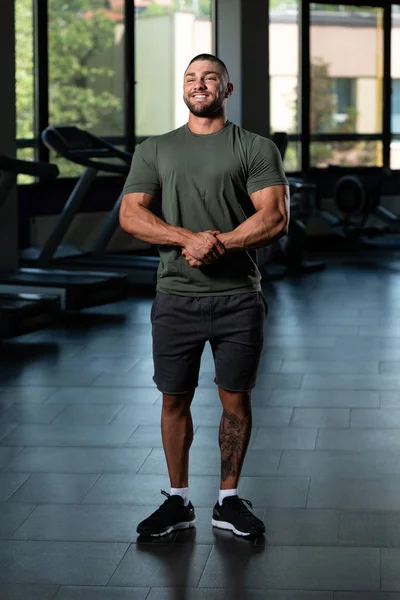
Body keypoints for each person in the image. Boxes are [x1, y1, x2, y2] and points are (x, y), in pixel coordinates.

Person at [119, 53, 290, 538]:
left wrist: (218, 243)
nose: (199, 84)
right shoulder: (155, 149)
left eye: (209, 77)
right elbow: (131, 215)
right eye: (191, 78)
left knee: (236, 400)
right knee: (174, 399)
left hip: (238, 297)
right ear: (184, 89)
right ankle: (178, 500)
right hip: (175, 297)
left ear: (227, 90)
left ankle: (228, 501)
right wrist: (184, 238)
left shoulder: (255, 148)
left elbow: (274, 217)